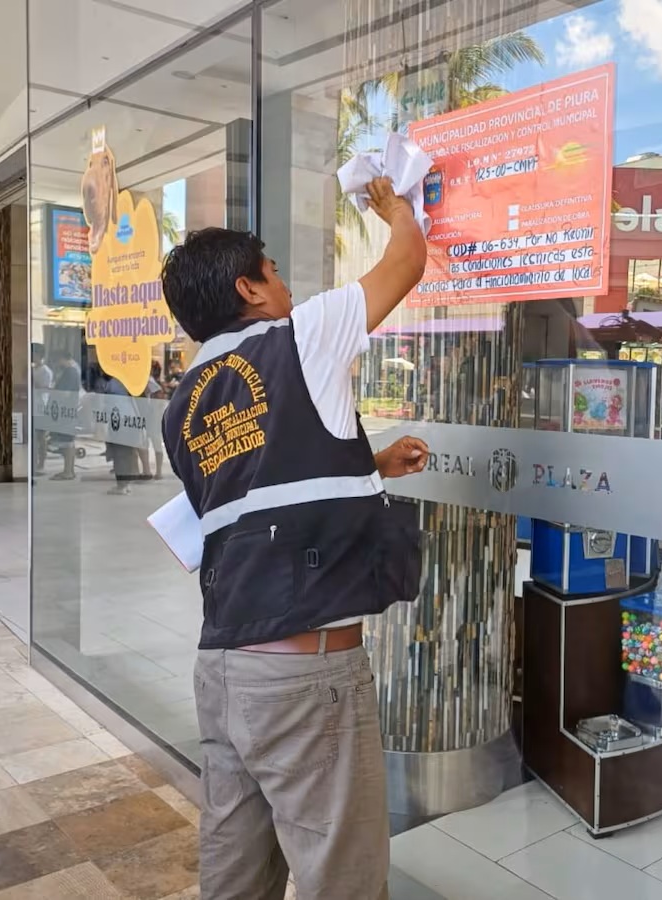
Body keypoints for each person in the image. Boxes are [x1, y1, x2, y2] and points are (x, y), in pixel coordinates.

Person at [160, 175, 428, 900]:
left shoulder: (182, 406)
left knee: (235, 869)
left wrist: (370, 466)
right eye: (273, 270)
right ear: (249, 289)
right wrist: (398, 211)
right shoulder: (300, 337)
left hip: (226, 672)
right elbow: (406, 264)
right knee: (340, 876)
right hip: (305, 678)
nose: (283, 283)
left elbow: (249, 500)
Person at [50, 347, 82, 481]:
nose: (57, 364)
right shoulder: (72, 370)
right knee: (67, 440)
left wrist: (52, 393)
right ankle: (68, 470)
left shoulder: (70, 372)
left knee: (67, 441)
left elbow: (66, 393)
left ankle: (68, 471)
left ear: (62, 359)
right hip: (68, 409)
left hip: (66, 410)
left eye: (57, 361)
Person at [31, 343, 55, 475]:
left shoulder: (46, 371)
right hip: (33, 405)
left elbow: (45, 389)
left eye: (34, 354)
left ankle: (41, 463)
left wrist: (33, 382)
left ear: (39, 355)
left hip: (41, 407)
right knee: (34, 437)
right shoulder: (33, 369)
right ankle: (34, 462)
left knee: (41, 437)